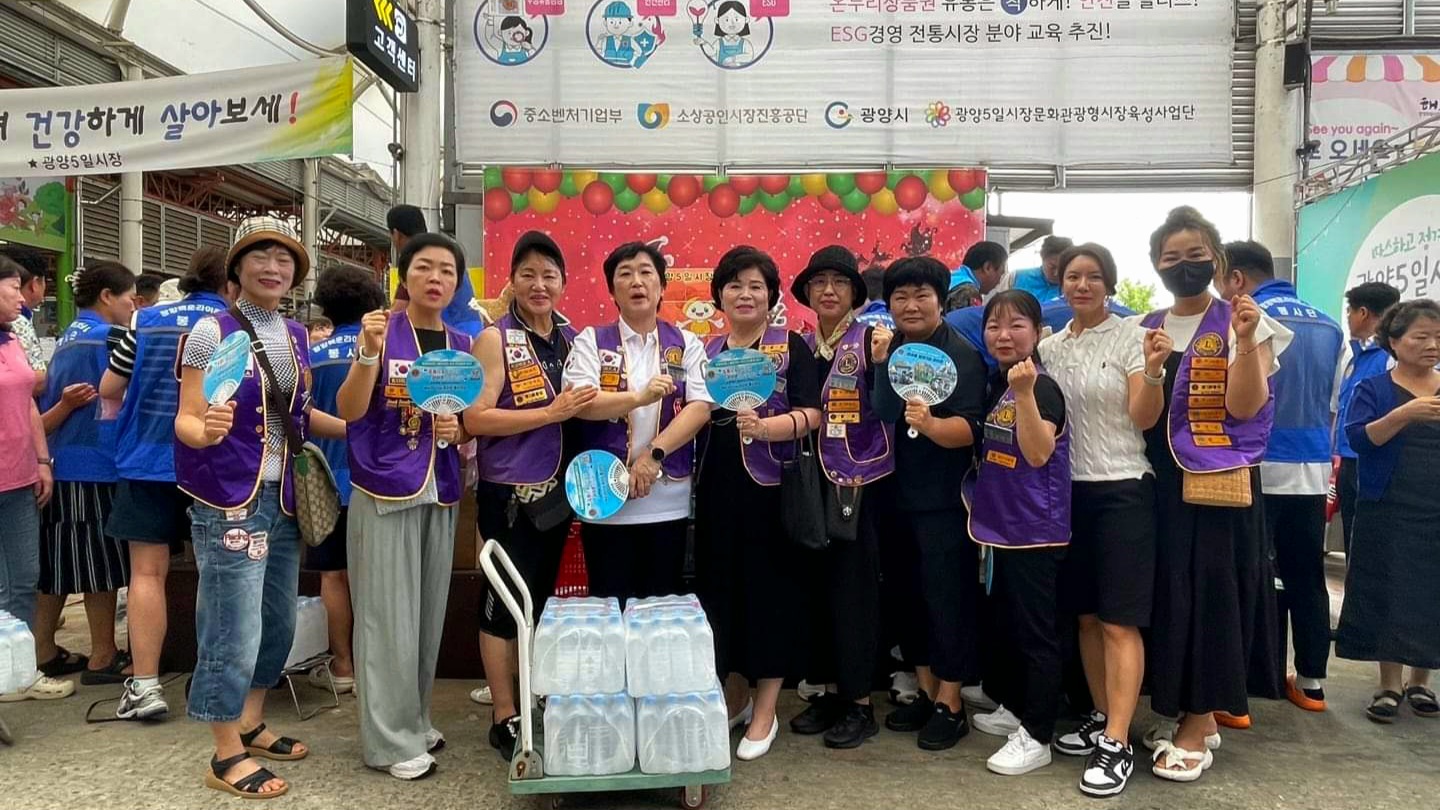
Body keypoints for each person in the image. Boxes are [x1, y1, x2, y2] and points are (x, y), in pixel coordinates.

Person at [174, 217, 343, 799]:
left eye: (284, 259)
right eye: (260, 257)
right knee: (232, 626)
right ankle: (225, 752)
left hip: (285, 498)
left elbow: (298, 415)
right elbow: (186, 416)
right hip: (229, 499)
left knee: (278, 622)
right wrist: (204, 432)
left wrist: (359, 432)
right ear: (238, 268)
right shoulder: (209, 331)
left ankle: (250, 720)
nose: (273, 268)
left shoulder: (295, 335)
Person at [1137, 206, 1285, 782]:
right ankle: (1182, 707)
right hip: (1159, 484)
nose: (1184, 266)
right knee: (1170, 594)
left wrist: (1243, 342)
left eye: (1196, 255)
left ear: (1218, 261)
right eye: (1171, 257)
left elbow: (1245, 407)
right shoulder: (1145, 326)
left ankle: (1199, 721)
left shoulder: (1245, 321)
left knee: (1210, 595)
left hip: (1218, 486)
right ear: (1156, 265)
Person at [335, 232, 470, 781]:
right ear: (403, 276)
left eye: (447, 270)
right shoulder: (378, 332)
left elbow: (468, 422)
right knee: (385, 617)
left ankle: (413, 719)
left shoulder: (462, 343)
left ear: (457, 283)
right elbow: (349, 409)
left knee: (425, 615)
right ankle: (388, 742)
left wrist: (460, 430)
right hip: (384, 486)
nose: (435, 278)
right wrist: (368, 353)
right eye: (424, 268)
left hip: (442, 487)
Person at [1038, 244, 1164, 797]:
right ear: (1061, 284)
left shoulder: (1133, 337)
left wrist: (1154, 372)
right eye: (1073, 276)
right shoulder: (1049, 347)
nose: (1082, 285)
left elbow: (1143, 417)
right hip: (1067, 494)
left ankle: (1117, 740)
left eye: (1093, 276)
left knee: (1119, 621)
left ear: (1109, 284)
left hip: (1124, 490)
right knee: (1086, 618)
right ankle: (1099, 714)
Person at [464, 231, 591, 760]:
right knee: (503, 604)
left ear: (563, 283)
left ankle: (532, 695)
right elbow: (474, 419)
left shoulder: (573, 339)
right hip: (510, 496)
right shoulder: (495, 339)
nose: (539, 285)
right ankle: (503, 714)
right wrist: (547, 414)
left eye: (549, 275)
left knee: (537, 600)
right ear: (512, 281)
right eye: (528, 274)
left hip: (560, 494)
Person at [692, 246, 821, 762]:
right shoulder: (706, 350)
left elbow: (813, 413)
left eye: (756, 286)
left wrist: (771, 427)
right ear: (719, 296)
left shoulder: (790, 347)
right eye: (735, 285)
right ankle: (736, 697)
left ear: (771, 296)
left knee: (769, 596)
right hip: (716, 490)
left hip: (772, 492)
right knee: (721, 595)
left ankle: (767, 709)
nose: (745, 295)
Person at [98, 246, 230, 721]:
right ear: (231, 282)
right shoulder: (234, 325)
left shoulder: (145, 320)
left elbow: (109, 387)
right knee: (220, 573)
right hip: (214, 464)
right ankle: (214, 681)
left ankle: (146, 684)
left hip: (147, 459)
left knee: (147, 574)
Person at [1217, 240, 1346, 714]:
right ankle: (1310, 683)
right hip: (1311, 469)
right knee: (1306, 575)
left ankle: (1245, 689)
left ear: (1236, 278)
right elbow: (1333, 405)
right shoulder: (1330, 326)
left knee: (1249, 574)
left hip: (1255, 465)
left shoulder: (1244, 319)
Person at [872, 256, 988, 751]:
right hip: (893, 493)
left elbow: (971, 429)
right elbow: (882, 410)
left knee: (947, 598)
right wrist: (881, 365)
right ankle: (924, 689)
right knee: (907, 595)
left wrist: (934, 424)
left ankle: (951, 701)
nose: (911, 305)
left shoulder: (960, 353)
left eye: (922, 295)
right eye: (900, 297)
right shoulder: (891, 348)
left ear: (941, 300)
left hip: (943, 499)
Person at [562, 242, 712, 604]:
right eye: (625, 274)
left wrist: (653, 455)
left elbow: (700, 408)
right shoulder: (591, 341)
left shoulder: (687, 343)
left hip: (667, 499)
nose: (637, 282)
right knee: (609, 605)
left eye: (646, 273)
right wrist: (638, 397)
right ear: (612, 290)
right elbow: (582, 404)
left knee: (661, 608)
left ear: (662, 286)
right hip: (604, 498)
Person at [787, 246, 894, 750]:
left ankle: (860, 703)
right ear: (807, 293)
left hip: (860, 481)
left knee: (854, 594)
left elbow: (889, 408)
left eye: (839, 282)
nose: (828, 290)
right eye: (819, 282)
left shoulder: (872, 340)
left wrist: (883, 365)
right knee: (817, 589)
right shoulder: (804, 344)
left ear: (854, 292)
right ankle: (830, 692)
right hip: (813, 483)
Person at [968, 290, 1070, 777]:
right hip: (1002, 528)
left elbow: (1037, 452)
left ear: (1037, 332)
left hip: (1036, 531)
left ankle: (1038, 734)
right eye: (994, 326)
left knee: (1036, 635)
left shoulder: (1040, 387)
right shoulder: (1001, 383)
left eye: (1016, 326)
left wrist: (1026, 394)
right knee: (1010, 626)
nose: (1003, 335)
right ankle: (1016, 706)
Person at [1336, 299, 1440, 724]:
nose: (1432, 346)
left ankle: (1422, 682)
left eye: (1438, 338)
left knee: (1431, 591)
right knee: (1388, 588)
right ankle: (1389, 684)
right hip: (1389, 506)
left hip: (1435, 507)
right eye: (1421, 337)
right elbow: (1359, 440)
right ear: (1394, 342)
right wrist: (1404, 414)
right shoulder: (1374, 388)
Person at [32, 261, 136, 688]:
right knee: (100, 562)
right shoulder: (111, 338)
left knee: (56, 563)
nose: (133, 306)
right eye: (129, 298)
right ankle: (103, 654)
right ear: (107, 296)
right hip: (97, 462)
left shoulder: (68, 337)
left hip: (61, 461)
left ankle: (42, 651)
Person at [306, 267, 387, 698]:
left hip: (325, 483)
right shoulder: (383, 348)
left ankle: (342, 667)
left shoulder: (311, 355)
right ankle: (378, 670)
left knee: (333, 576)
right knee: (375, 580)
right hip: (377, 481)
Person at [0, 256, 66, 703]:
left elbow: (27, 401)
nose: (21, 297)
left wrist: (42, 461)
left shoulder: (12, 339)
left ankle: (19, 672)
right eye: (12, 288)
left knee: (25, 578)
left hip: (21, 476)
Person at [1335, 282, 1401, 556]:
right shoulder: (1353, 358)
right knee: (1352, 534)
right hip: (1347, 460)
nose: (1349, 319)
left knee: (1373, 537)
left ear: (1362, 313)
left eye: (1349, 312)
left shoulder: (1391, 358)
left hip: (1375, 459)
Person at [388, 205, 484, 336]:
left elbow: (397, 311)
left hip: (450, 335)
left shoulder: (415, 260)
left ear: (396, 234)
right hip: (473, 329)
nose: (434, 278)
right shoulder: (445, 253)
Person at [997, 236, 1074, 304]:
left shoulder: (1074, 287)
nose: (1056, 273)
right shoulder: (1014, 278)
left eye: (1062, 268)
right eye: (1052, 267)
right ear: (1042, 258)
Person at [946, 240, 1008, 313]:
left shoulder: (950, 279)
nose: (999, 282)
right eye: (1001, 274)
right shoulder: (968, 292)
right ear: (987, 267)